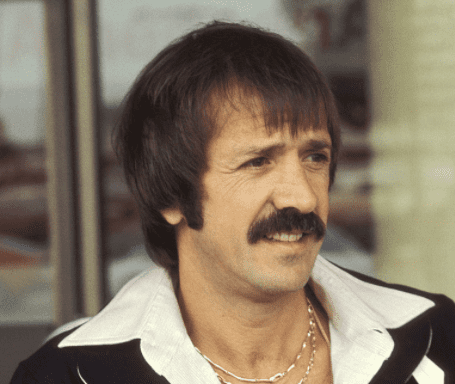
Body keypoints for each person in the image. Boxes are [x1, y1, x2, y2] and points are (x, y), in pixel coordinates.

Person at [10, 21, 455, 384]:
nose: (301, 195)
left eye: (315, 157)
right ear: (170, 195)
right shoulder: (67, 375)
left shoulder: (437, 335)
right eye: (258, 162)